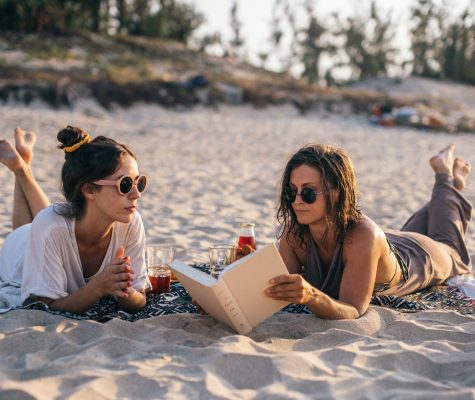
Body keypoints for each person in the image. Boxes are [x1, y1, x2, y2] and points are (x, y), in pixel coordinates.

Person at [265, 143, 472, 319]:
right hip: (380, 243)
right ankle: (450, 189)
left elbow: (353, 309)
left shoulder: (363, 237)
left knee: (451, 249)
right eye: (292, 192)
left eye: (308, 193)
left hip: (416, 257)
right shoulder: (294, 236)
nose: (297, 201)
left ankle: (443, 175)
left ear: (336, 192)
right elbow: (276, 294)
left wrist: (312, 296)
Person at [0, 126, 148, 313]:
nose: (136, 194)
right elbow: (44, 308)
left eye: (139, 182)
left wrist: (124, 290)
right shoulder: (50, 227)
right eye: (125, 184)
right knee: (35, 226)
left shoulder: (131, 222)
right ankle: (21, 168)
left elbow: (139, 299)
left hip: (50, 228)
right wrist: (98, 287)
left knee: (48, 220)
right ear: (89, 190)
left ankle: (22, 164)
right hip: (18, 252)